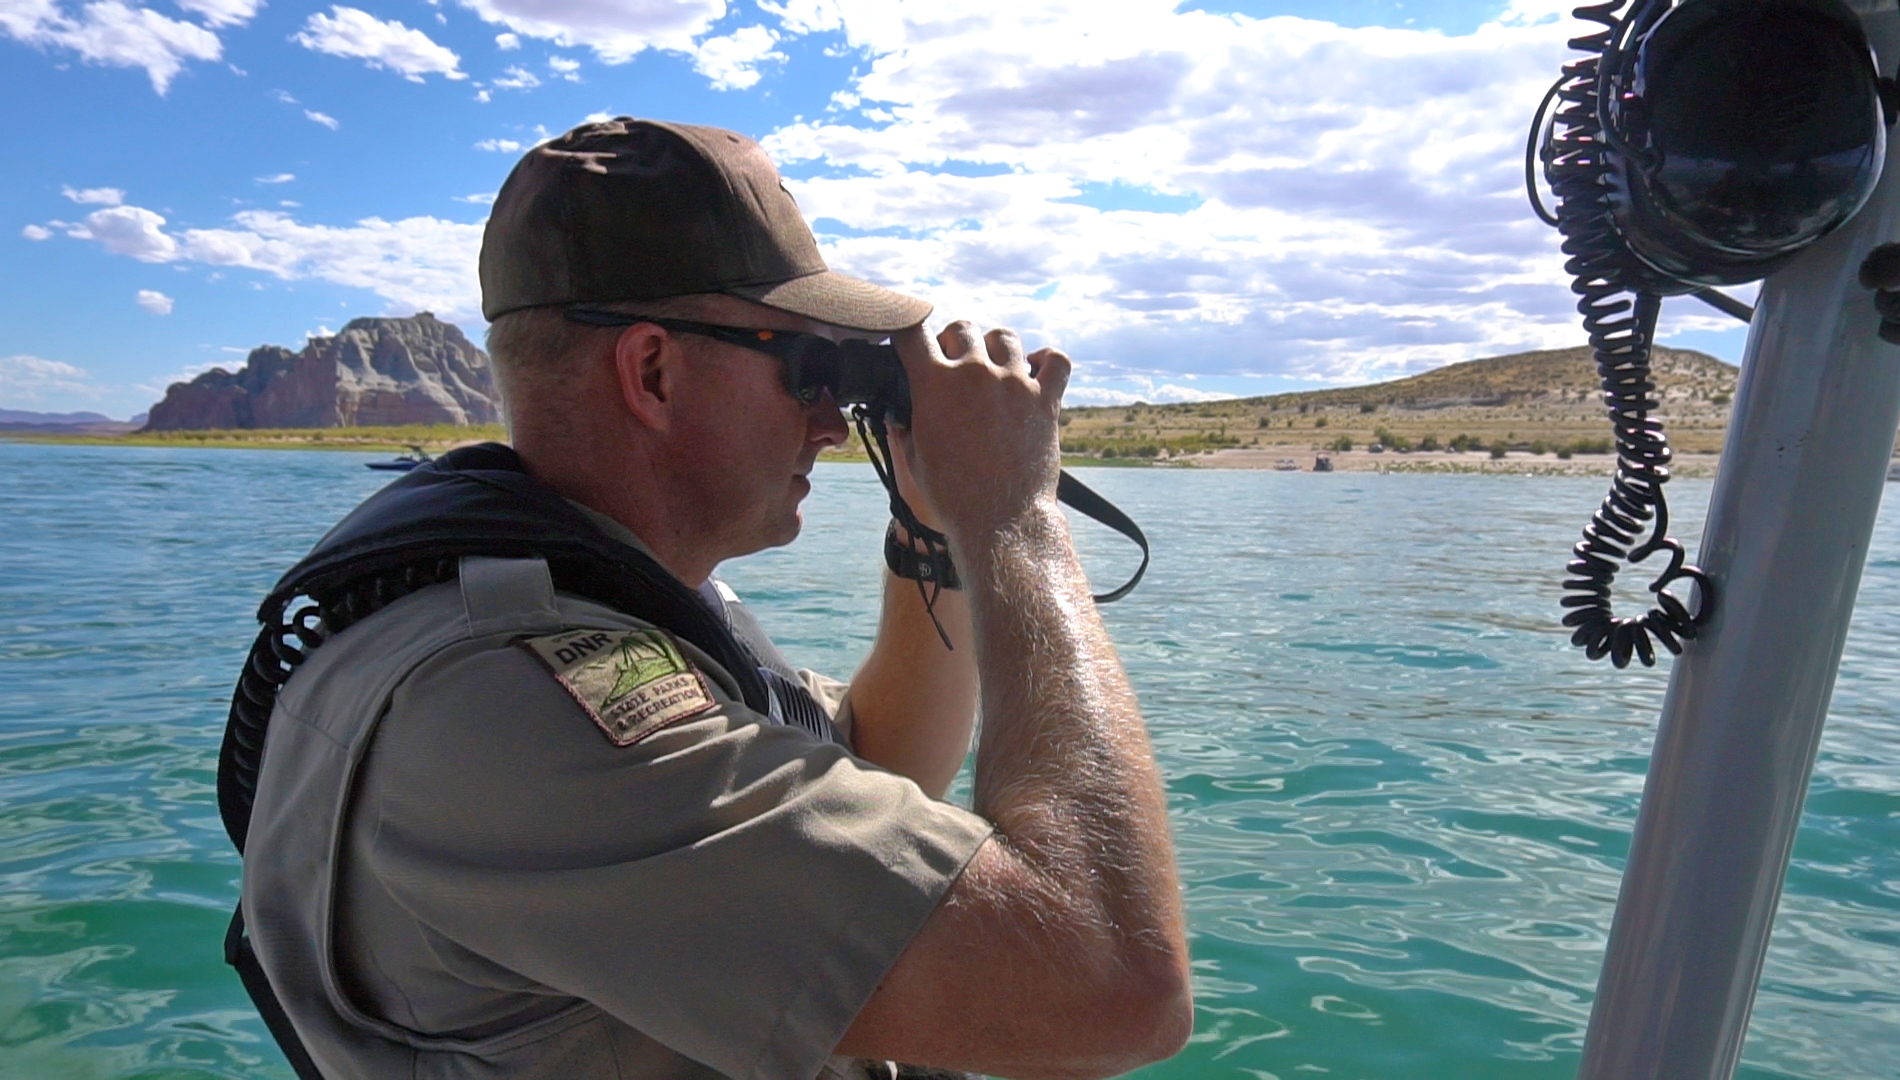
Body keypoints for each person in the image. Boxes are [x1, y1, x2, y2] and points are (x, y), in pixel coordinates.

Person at [235, 117, 1191, 1080]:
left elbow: (877, 760)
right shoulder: (506, 702)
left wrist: (934, 532)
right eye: (805, 365)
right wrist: (1013, 518)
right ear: (652, 370)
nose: (828, 421)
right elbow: (1109, 986)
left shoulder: (607, 605)